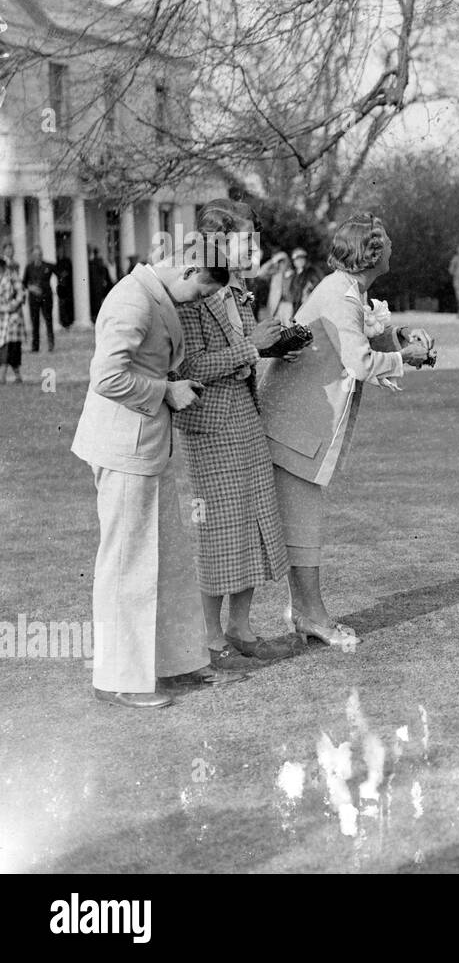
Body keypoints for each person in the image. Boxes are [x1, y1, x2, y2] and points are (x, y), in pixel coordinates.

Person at [70, 240, 240, 708]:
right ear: (187, 269)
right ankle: (118, 679)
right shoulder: (133, 299)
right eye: (203, 291)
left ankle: (174, 666)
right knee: (128, 565)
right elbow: (106, 377)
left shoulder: (154, 295)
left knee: (163, 560)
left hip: (146, 448)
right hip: (124, 449)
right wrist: (165, 391)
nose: (202, 302)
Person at [259, 214, 434, 649]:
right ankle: (311, 616)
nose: (392, 246)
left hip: (297, 422)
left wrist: (400, 334)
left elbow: (360, 336)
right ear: (371, 253)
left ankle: (304, 612)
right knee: (303, 523)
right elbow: (357, 361)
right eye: (387, 241)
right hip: (294, 423)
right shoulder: (341, 294)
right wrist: (408, 358)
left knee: (303, 522)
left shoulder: (347, 290)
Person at [173, 200, 296, 669]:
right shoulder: (192, 286)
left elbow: (247, 349)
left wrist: (279, 344)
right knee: (219, 530)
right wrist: (253, 346)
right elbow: (190, 367)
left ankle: (240, 629)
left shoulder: (237, 285)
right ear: (217, 240)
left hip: (244, 415)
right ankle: (209, 639)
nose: (254, 247)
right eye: (246, 238)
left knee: (252, 521)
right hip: (209, 423)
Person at [0, 242, 26, 383]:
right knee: (3, 346)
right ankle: (3, 376)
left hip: (11, 315)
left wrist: (12, 306)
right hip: (2, 315)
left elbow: (20, 292)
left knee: (12, 347)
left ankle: (15, 374)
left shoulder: (12, 273)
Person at [23, 249, 55, 352]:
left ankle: (51, 343)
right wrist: (32, 288)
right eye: (35, 255)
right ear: (32, 256)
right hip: (33, 299)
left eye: (39, 254)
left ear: (42, 255)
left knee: (48, 320)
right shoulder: (29, 267)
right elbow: (24, 283)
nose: (37, 256)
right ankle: (35, 346)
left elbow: (61, 274)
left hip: (46, 297)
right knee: (35, 321)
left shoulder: (48, 266)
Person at [288, 248, 322, 317]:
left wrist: (308, 289)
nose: (300, 261)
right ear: (293, 261)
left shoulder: (311, 272)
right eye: (297, 259)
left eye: (302, 258)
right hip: (296, 305)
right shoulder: (293, 275)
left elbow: (316, 283)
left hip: (308, 305)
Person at [89, 247, 111, 320]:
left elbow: (103, 272)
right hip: (97, 286)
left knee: (97, 302)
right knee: (97, 303)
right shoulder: (96, 262)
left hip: (97, 286)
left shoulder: (93, 262)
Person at [55, 256, 74, 329]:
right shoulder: (61, 277)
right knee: (63, 306)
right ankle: (65, 322)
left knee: (66, 306)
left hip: (66, 291)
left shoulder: (68, 277)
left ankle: (67, 322)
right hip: (62, 291)